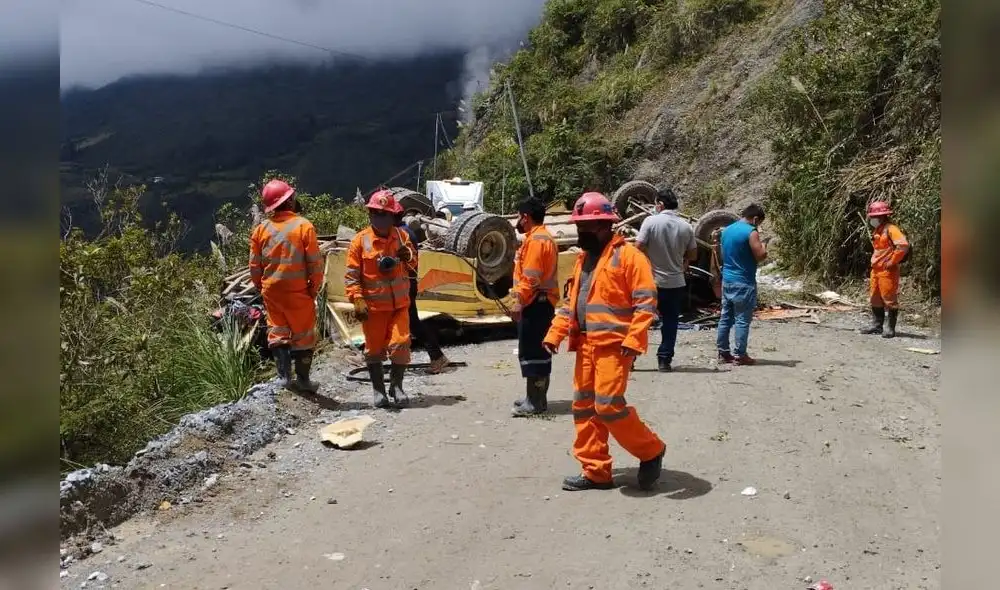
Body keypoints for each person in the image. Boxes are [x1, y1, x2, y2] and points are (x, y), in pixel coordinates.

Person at [543, 192, 667, 492]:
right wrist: (554, 334)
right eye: (579, 227)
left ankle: (651, 450)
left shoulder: (629, 257)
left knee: (609, 406)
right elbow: (570, 302)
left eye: (586, 228)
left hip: (614, 346)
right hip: (585, 345)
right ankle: (596, 471)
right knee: (584, 408)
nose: (581, 233)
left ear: (605, 225)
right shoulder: (583, 260)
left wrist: (635, 338)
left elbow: (646, 302)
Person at [344, 190, 418, 408]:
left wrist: (409, 257)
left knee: (401, 343)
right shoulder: (360, 241)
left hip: (399, 305)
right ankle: (379, 391)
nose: (380, 218)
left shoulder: (402, 237)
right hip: (374, 308)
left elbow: (413, 267)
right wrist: (357, 299)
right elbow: (351, 275)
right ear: (370, 215)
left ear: (392, 216)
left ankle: (397, 387)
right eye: (376, 213)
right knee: (374, 350)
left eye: (384, 214)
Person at [249, 179, 324, 392]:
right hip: (298, 291)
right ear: (289, 200)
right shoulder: (303, 226)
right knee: (303, 336)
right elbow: (315, 264)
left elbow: (255, 266)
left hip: (272, 291)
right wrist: (313, 289)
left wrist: (261, 287)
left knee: (278, 332)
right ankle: (303, 380)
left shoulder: (261, 229)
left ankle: (283, 378)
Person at [636, 186, 697, 372]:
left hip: (651, 282)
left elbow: (638, 247)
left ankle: (630, 358)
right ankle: (664, 360)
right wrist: (682, 260)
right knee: (670, 322)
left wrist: (648, 258)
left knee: (640, 319)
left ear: (660, 204)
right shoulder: (686, 226)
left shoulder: (650, 222)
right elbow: (693, 255)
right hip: (676, 282)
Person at [509, 197, 560, 417]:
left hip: (536, 303)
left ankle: (536, 403)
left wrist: (518, 300)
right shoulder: (536, 238)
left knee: (535, 353)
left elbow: (531, 277)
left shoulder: (538, 241)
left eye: (519, 216)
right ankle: (534, 398)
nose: (517, 220)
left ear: (526, 217)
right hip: (537, 302)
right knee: (533, 351)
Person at [393, 207, 451, 374]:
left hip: (406, 284)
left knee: (413, 323)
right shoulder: (404, 232)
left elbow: (405, 261)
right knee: (408, 322)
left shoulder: (401, 234)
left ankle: (437, 357)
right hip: (405, 284)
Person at [715, 203, 768, 365]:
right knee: (742, 320)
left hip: (728, 279)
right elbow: (760, 255)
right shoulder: (751, 232)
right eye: (759, 223)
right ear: (755, 219)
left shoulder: (727, 230)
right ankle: (740, 355)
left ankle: (723, 352)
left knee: (725, 317)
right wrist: (764, 246)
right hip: (744, 281)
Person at [860, 201, 910, 338]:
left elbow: (903, 246)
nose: (871, 219)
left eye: (873, 217)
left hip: (887, 270)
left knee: (889, 298)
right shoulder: (878, 230)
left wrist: (892, 261)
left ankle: (890, 328)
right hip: (876, 269)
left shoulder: (891, 229)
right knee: (874, 297)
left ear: (881, 216)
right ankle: (877, 325)